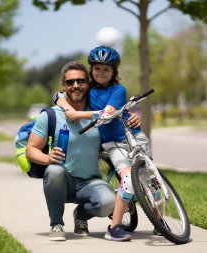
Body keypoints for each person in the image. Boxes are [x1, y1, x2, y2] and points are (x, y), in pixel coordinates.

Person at [26, 60, 141, 242]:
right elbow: (31, 149)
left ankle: (81, 216)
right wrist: (48, 158)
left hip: (90, 182)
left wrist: (132, 120)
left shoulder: (99, 115)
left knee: (109, 202)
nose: (76, 86)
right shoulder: (50, 115)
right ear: (63, 86)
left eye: (80, 81)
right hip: (63, 181)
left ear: (88, 84)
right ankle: (56, 224)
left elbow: (118, 123)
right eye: (70, 82)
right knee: (55, 170)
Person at [54, 46, 153, 241]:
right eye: (97, 69)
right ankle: (114, 227)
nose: (101, 73)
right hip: (112, 143)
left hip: (133, 135)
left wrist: (78, 114)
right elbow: (57, 96)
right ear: (91, 70)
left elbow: (107, 115)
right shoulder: (87, 89)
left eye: (106, 69)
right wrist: (67, 109)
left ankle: (160, 222)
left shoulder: (118, 89)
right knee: (128, 180)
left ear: (114, 72)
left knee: (151, 180)